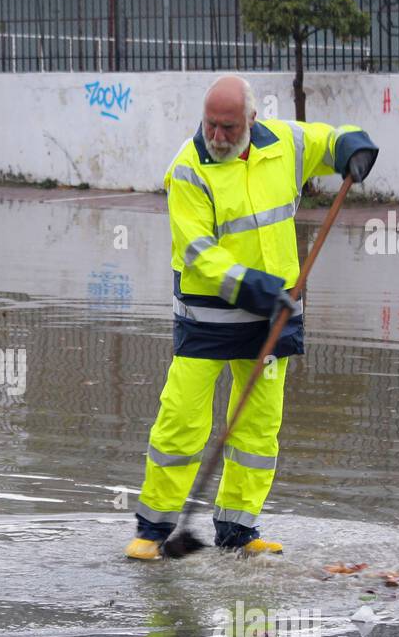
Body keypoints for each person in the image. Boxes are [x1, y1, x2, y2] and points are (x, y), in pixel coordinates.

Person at [126, 75, 379, 561]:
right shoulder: (188, 170)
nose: (217, 137)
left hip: (272, 315)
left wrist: (353, 145)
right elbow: (199, 253)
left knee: (258, 426)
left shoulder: (284, 142)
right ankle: (154, 530)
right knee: (181, 421)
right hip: (209, 317)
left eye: (229, 127)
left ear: (252, 120)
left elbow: (329, 140)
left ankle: (238, 531)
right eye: (211, 126)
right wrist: (256, 287)